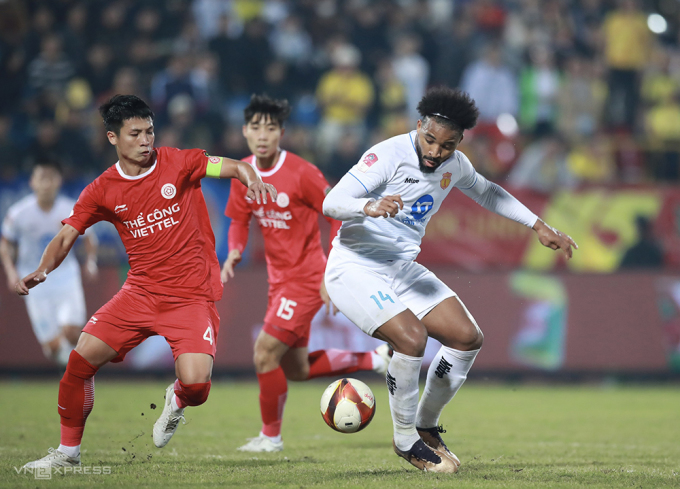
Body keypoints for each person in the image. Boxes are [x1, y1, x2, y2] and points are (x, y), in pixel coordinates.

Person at [322, 87, 577, 473]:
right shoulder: (386, 155)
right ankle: (406, 440)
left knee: (467, 337)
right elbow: (331, 202)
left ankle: (425, 425)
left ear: (459, 142)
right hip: (354, 266)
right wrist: (368, 206)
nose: (435, 152)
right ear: (419, 125)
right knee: (411, 339)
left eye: (447, 145)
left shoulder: (455, 165)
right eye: (430, 140)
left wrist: (538, 224)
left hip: (401, 267)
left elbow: (488, 192)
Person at [17, 94, 276, 469]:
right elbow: (66, 235)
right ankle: (66, 454)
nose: (145, 140)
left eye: (150, 131)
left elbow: (234, 167)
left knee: (198, 387)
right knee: (78, 364)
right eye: (135, 133)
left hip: (190, 298)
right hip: (138, 294)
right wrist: (43, 268)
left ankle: (177, 400)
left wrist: (252, 178)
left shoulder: (180, 161)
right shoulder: (102, 189)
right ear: (112, 138)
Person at [222, 94, 391, 453]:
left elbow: (335, 213)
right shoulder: (242, 173)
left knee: (263, 353)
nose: (263, 135)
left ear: (282, 132)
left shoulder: (302, 172)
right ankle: (375, 359)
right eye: (255, 128)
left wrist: (331, 271)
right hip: (277, 280)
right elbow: (239, 218)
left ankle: (270, 438)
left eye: (270, 128)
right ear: (245, 132)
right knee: (295, 368)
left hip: (307, 277)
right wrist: (235, 249)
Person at [1, 159, 98, 366]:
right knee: (53, 347)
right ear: (32, 182)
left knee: (72, 333)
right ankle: (71, 366)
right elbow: (6, 244)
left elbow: (89, 237)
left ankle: (78, 374)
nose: (46, 183)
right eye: (41, 178)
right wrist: (10, 272)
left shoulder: (70, 209)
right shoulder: (18, 213)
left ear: (58, 181)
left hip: (65, 276)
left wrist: (91, 261)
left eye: (50, 178)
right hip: (33, 280)